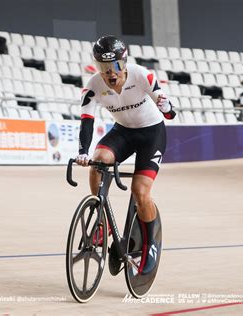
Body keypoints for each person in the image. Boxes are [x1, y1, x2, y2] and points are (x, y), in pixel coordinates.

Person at [75, 35, 176, 275]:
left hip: (151, 134)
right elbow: (86, 122)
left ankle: (150, 244)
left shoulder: (142, 75)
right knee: (98, 161)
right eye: (103, 68)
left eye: (116, 66)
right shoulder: (93, 86)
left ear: (125, 62)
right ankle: (101, 221)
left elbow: (170, 114)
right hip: (123, 132)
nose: (110, 73)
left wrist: (167, 107)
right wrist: (82, 152)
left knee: (140, 192)